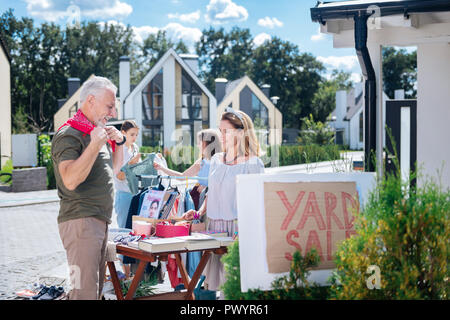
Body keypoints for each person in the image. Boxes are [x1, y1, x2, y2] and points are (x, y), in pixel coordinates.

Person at [51, 76, 126, 300]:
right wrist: (94, 144)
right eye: (109, 106)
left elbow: (113, 170)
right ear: (91, 100)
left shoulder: (94, 133)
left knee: (92, 293)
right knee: (83, 294)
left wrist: (119, 143)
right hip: (81, 223)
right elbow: (70, 180)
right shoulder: (70, 134)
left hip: (96, 222)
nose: (112, 113)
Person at [182, 108, 265, 294]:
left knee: (235, 288)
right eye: (220, 130)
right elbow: (212, 192)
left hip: (236, 231)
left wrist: (241, 232)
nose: (222, 135)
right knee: (218, 288)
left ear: (241, 132)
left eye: (226, 131)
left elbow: (256, 204)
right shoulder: (218, 159)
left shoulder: (254, 164)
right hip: (214, 229)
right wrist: (198, 212)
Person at [153, 129, 222, 192]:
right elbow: (182, 177)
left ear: (206, 143)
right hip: (202, 199)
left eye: (199, 143)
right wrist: (161, 168)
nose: (197, 146)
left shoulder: (221, 160)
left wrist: (207, 187)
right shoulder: (201, 161)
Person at [113, 120, 141, 228]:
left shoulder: (135, 148)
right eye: (132, 134)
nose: (134, 138)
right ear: (123, 133)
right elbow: (119, 176)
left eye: (136, 135)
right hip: (124, 195)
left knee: (136, 229)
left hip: (136, 194)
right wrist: (131, 164)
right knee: (124, 229)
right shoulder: (119, 150)